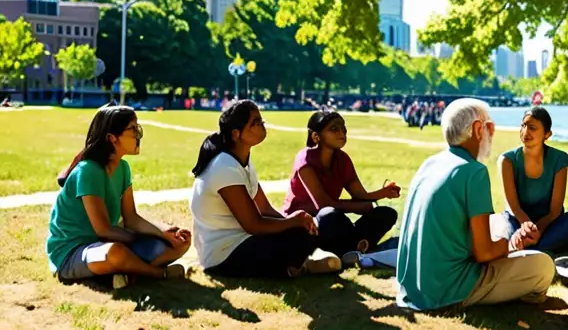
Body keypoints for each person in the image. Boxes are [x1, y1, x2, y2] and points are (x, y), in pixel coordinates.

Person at [396, 98, 554, 310]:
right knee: (543, 265)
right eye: (490, 126)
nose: (492, 133)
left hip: (413, 288)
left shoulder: (430, 164)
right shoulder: (474, 171)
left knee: (498, 221)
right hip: (449, 290)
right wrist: (510, 244)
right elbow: (484, 254)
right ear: (478, 129)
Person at [47, 105, 191, 288]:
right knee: (116, 252)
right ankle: (156, 273)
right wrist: (139, 239)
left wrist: (164, 233)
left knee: (180, 243)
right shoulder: (89, 170)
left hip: (107, 242)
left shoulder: (123, 168)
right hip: (73, 252)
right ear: (112, 138)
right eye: (133, 129)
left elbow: (131, 218)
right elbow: (104, 230)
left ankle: (122, 273)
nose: (138, 135)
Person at [190, 100, 336, 278]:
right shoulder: (224, 166)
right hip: (224, 255)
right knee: (300, 235)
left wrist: (299, 222)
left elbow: (265, 208)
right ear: (236, 134)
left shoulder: (243, 162)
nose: (261, 125)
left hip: (243, 240)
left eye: (261, 121)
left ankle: (298, 264)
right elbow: (253, 225)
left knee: (307, 228)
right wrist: (293, 223)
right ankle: (297, 267)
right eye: (255, 123)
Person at [282, 109, 400, 259]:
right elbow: (322, 204)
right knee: (329, 216)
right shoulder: (305, 161)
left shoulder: (342, 159)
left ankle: (350, 249)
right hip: (304, 226)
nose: (341, 133)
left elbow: (360, 195)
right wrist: (357, 207)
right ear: (316, 136)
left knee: (386, 214)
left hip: (330, 221)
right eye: (334, 129)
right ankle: (357, 248)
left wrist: (383, 193)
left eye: (343, 128)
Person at [499, 106, 568, 252]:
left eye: (532, 127)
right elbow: (514, 206)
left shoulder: (559, 159)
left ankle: (526, 248)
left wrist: (537, 230)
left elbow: (555, 210)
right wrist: (527, 227)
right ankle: (536, 248)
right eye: (523, 125)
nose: (525, 132)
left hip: (548, 223)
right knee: (508, 228)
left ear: (547, 134)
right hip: (517, 220)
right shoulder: (507, 160)